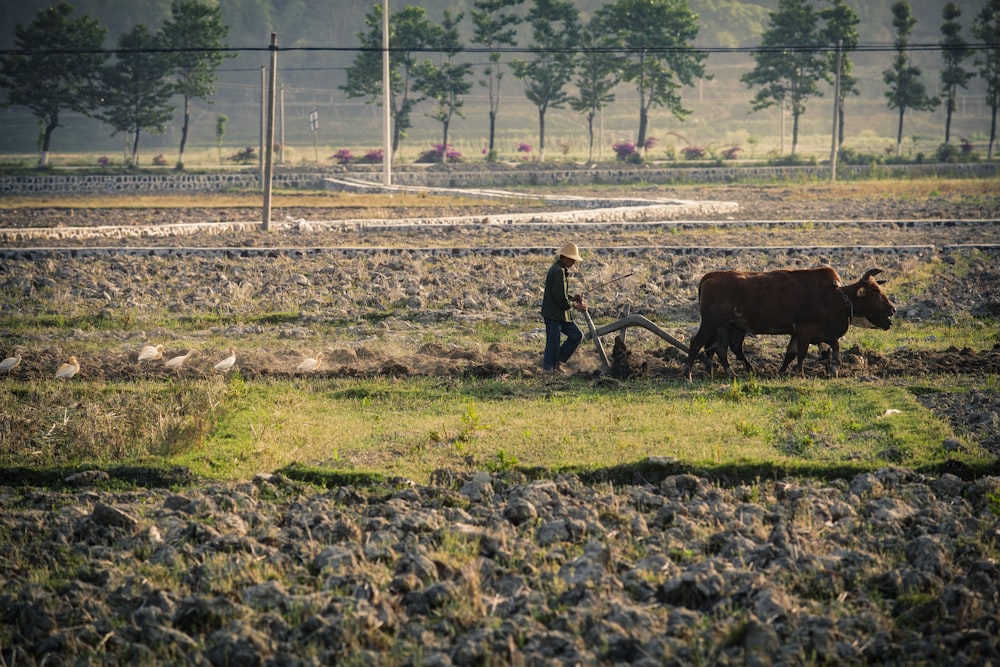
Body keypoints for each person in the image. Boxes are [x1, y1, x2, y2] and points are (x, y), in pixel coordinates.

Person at [541, 242, 588, 373]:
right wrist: (575, 305)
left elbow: (561, 293)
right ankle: (548, 369)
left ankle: (558, 361)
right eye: (572, 259)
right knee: (553, 343)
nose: (573, 262)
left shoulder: (560, 270)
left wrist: (573, 297)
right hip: (553, 314)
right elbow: (560, 298)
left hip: (560, 314)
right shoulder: (557, 271)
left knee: (576, 335)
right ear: (565, 257)